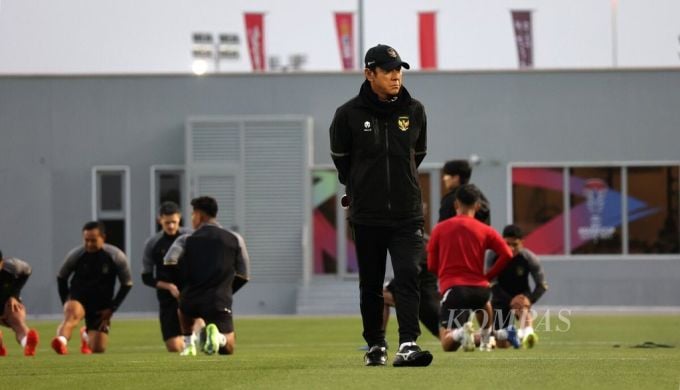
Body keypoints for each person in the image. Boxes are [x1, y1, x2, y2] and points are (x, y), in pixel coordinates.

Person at [330, 43, 432, 367]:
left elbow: (417, 156)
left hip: (406, 214)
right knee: (371, 284)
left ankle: (408, 344)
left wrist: (399, 186)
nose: (395, 76)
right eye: (388, 71)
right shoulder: (347, 115)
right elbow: (342, 163)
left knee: (407, 275)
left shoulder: (415, 110)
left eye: (399, 70)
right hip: (368, 215)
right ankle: (376, 345)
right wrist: (364, 189)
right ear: (368, 73)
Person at [427, 184, 514, 352]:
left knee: (447, 344)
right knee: (483, 303)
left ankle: (461, 333)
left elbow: (431, 265)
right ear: (478, 205)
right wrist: (488, 276)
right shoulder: (485, 230)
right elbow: (507, 254)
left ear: (456, 204)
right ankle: (487, 338)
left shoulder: (440, 229)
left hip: (454, 289)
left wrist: (444, 277)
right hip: (480, 290)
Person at [164, 196, 250, 356]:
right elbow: (244, 275)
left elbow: (169, 260)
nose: (191, 219)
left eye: (192, 215)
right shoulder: (234, 238)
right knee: (228, 348)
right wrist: (226, 291)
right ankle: (218, 337)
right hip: (218, 299)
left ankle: (189, 345)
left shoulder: (186, 239)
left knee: (183, 310)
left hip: (191, 298)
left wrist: (183, 287)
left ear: (199, 215)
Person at [52, 221, 133, 354]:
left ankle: (85, 336)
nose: (89, 244)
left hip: (101, 306)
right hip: (78, 298)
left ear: (103, 238)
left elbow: (127, 284)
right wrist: (66, 301)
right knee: (71, 316)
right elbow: (61, 277)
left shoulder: (116, 256)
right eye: (86, 240)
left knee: (98, 349)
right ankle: (61, 342)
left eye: (93, 240)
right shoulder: (76, 255)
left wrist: (112, 308)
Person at [141, 201, 195, 352]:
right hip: (167, 298)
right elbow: (146, 277)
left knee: (197, 321)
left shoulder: (191, 237)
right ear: (160, 220)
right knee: (174, 347)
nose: (171, 226)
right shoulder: (152, 243)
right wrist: (169, 287)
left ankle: (196, 340)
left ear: (180, 218)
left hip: (190, 292)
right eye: (167, 223)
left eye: (174, 222)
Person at [490, 224, 548, 349]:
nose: (510, 248)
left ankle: (528, 333)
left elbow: (542, 285)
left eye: (515, 245)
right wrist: (510, 301)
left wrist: (530, 300)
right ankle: (513, 334)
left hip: (522, 295)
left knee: (522, 306)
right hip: (500, 298)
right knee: (501, 345)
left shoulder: (529, 258)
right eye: (507, 244)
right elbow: (491, 283)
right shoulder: (492, 256)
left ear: (522, 242)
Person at [0, 250, 39, 356]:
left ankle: (27, 343)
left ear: (1, 263)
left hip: (8, 302)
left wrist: (14, 295)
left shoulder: (12, 267)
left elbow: (27, 270)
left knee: (18, 322)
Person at [439, 159, 490, 223]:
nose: (444, 179)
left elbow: (443, 226)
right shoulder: (480, 198)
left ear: (456, 178)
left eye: (446, 175)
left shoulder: (450, 200)